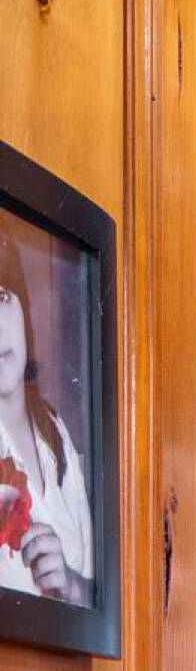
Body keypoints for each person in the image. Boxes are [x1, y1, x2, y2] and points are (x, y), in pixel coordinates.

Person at [0, 230, 92, 606]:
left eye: (1, 297)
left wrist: (69, 583)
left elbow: (95, 597)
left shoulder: (54, 430)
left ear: (21, 306)